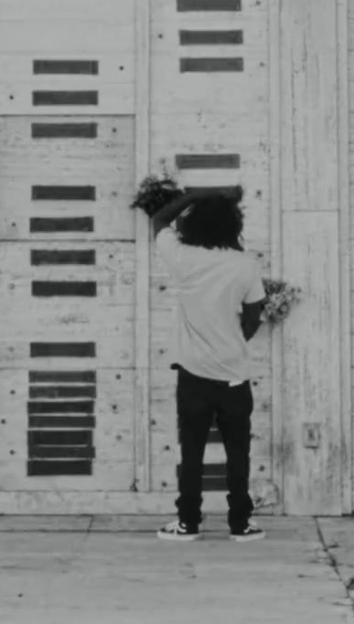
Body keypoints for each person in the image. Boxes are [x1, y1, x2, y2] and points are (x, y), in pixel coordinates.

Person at [147, 184, 268, 542]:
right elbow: (254, 315)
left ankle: (188, 522)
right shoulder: (245, 264)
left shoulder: (181, 258)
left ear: (195, 223)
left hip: (193, 374)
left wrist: (200, 193)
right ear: (233, 225)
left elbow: (159, 219)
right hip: (234, 374)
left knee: (193, 450)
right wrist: (232, 342)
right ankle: (240, 524)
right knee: (238, 452)